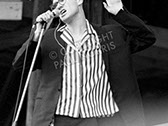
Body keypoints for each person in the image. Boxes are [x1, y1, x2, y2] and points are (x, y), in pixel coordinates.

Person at [12, 0, 156, 126]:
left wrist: (119, 12)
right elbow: (19, 65)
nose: (58, 6)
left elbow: (146, 38)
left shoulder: (111, 36)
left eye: (62, 0)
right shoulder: (48, 39)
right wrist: (35, 36)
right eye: (55, 4)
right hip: (61, 120)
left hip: (105, 118)